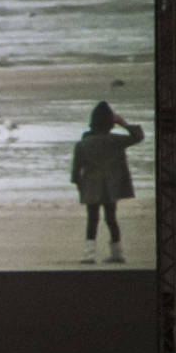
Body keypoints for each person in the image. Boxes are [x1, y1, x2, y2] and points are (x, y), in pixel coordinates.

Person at [69, 101, 144, 263]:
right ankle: (117, 254)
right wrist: (123, 123)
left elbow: (75, 174)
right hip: (112, 187)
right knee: (111, 219)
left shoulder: (82, 144)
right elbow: (138, 137)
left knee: (92, 219)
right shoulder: (115, 140)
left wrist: (81, 188)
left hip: (91, 187)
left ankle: (88, 256)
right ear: (110, 123)